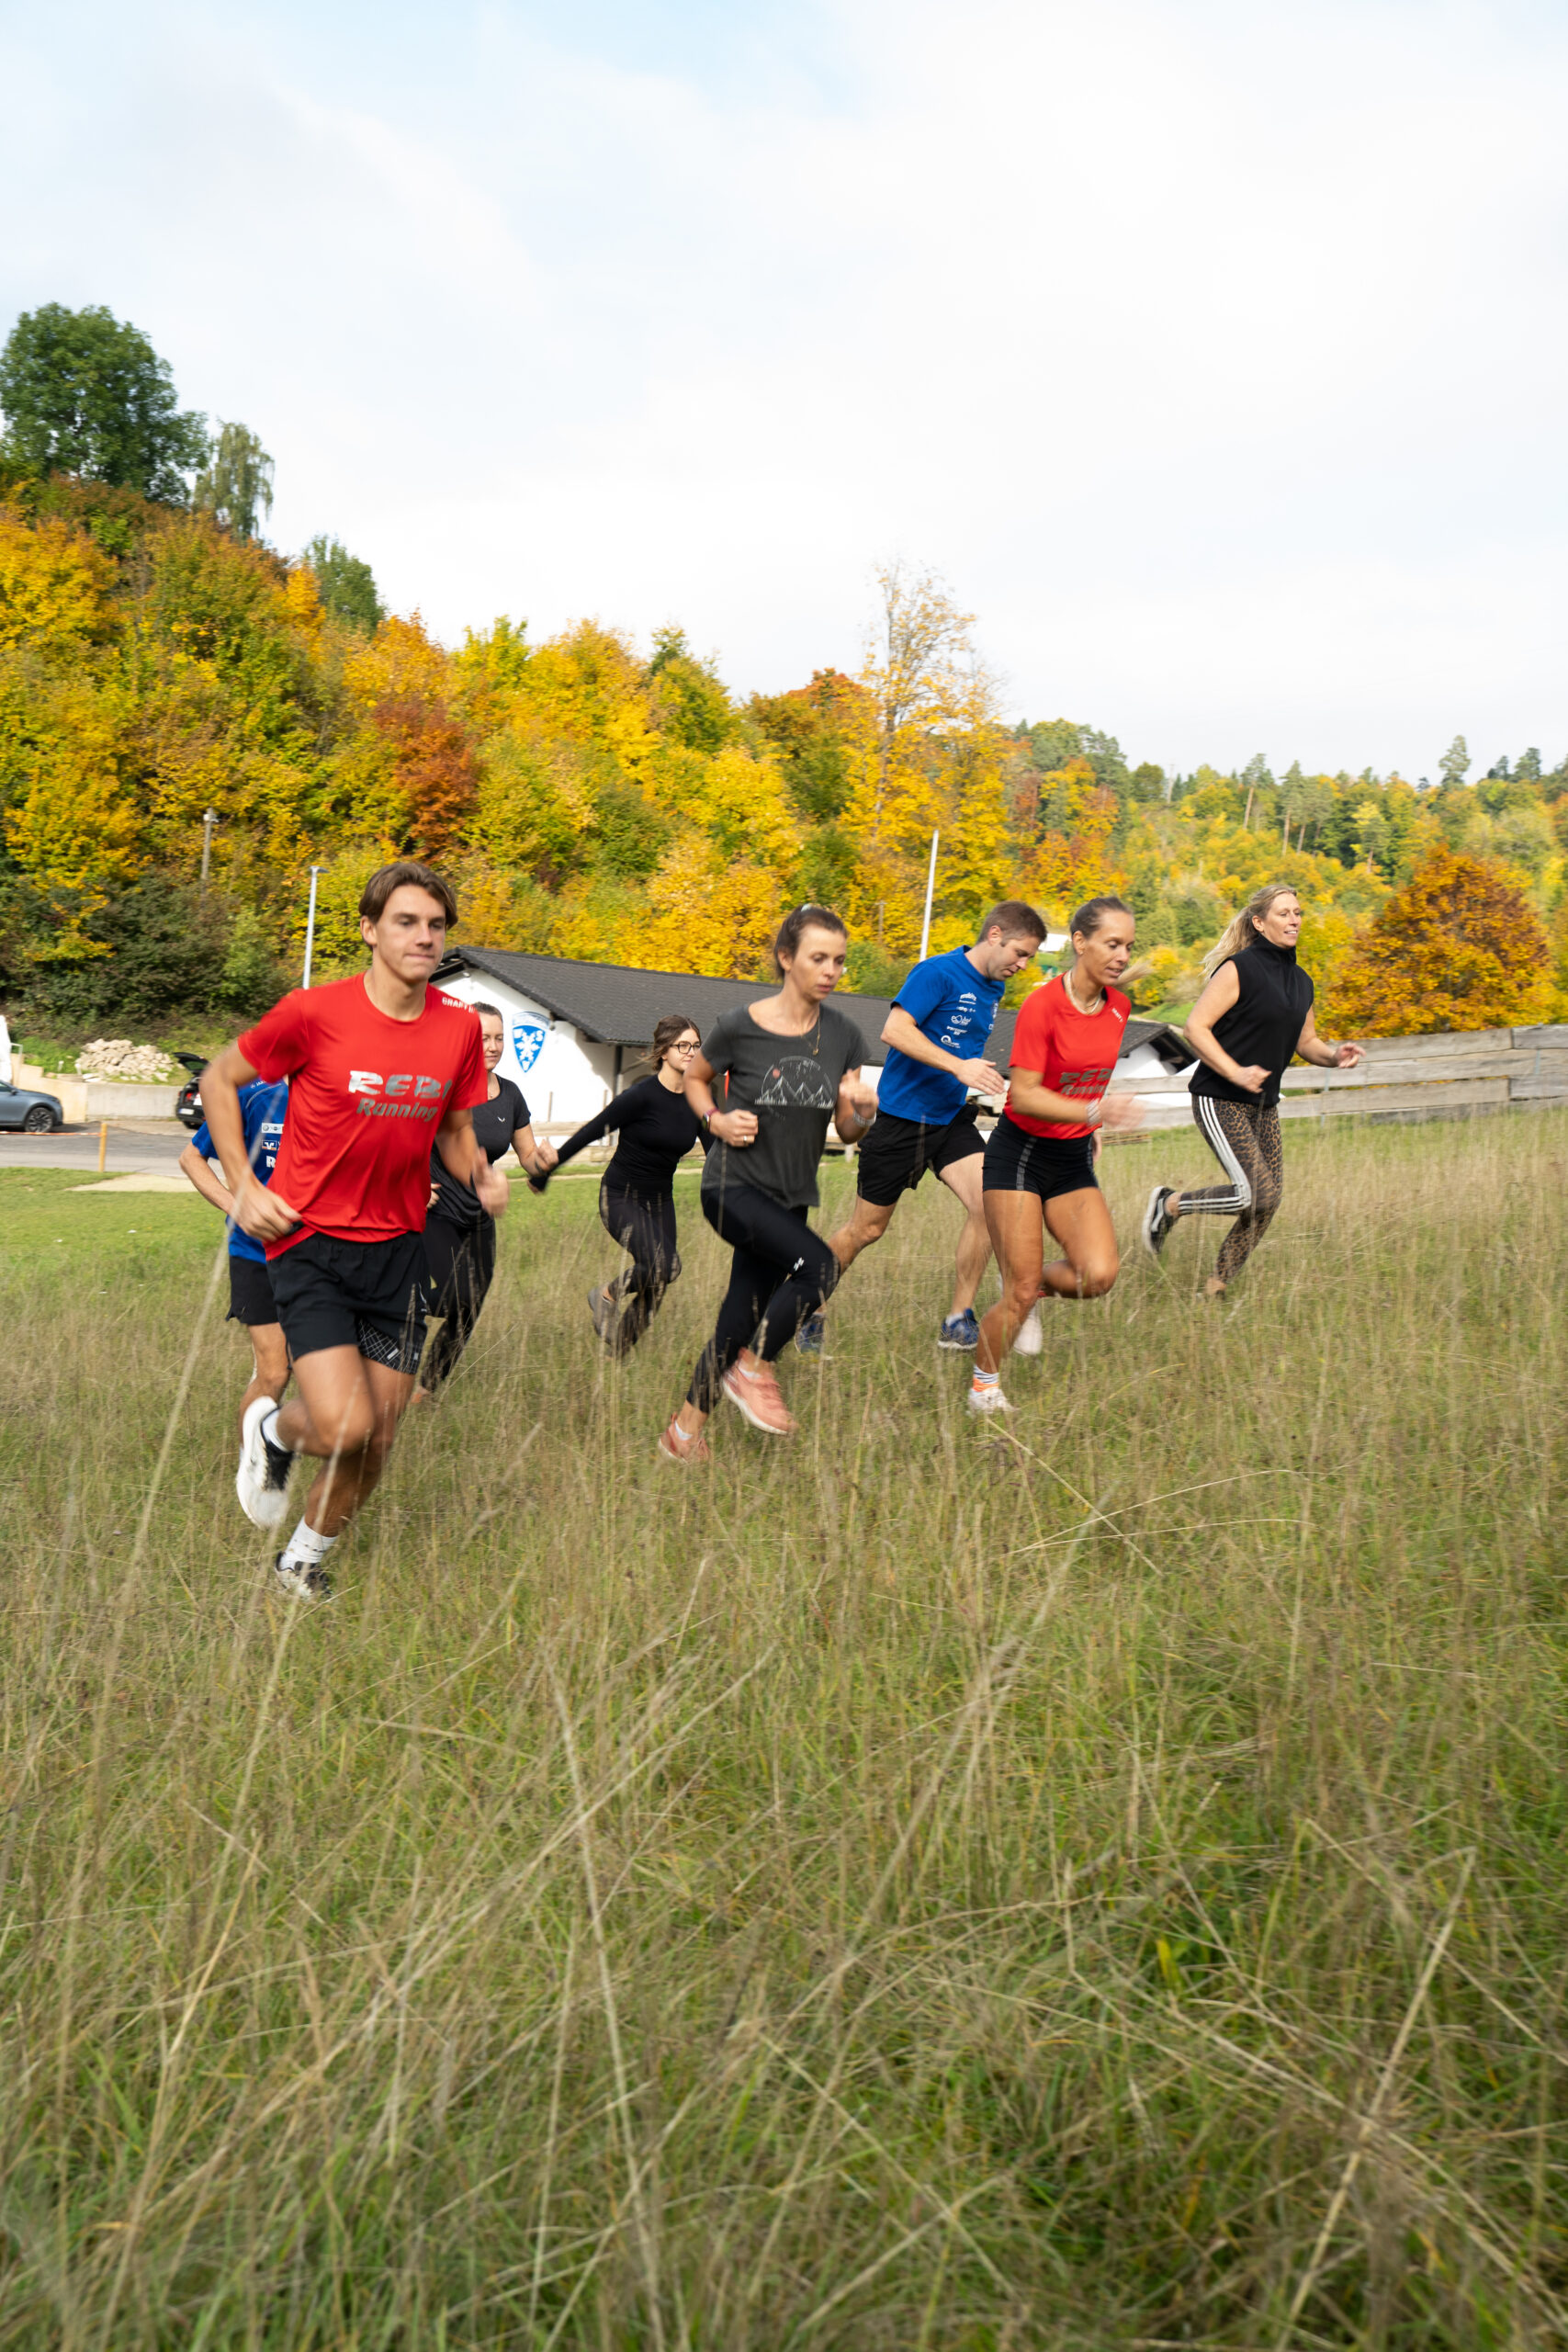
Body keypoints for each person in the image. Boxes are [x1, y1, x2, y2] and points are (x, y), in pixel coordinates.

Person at [199, 860, 499, 1600]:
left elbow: (454, 1129)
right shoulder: (313, 1013)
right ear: (369, 929)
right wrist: (243, 1187)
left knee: (379, 1436)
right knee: (342, 1425)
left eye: (436, 925)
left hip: (398, 1252)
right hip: (311, 1246)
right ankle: (272, 1433)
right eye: (406, 922)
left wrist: (480, 1173)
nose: (424, 937)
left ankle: (300, 1563)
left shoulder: (459, 1029)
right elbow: (217, 1080)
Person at [660, 906, 875, 1464]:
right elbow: (696, 1078)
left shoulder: (844, 1036)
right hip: (732, 1188)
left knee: (739, 1315)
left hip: (789, 1198)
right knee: (821, 1268)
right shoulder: (740, 1025)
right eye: (818, 958)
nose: (831, 971)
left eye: (839, 961)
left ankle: (683, 1435)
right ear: (786, 958)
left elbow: (846, 1128)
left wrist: (863, 1112)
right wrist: (715, 1121)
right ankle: (753, 1368)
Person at [802, 901, 1047, 1353]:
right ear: (995, 935)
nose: (1023, 965)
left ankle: (957, 1319)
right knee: (866, 1230)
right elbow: (895, 1031)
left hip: (949, 1118)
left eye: (1030, 957)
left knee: (988, 1204)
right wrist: (960, 1067)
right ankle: (806, 1306)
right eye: (1021, 953)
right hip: (902, 1119)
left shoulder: (994, 987)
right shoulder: (937, 972)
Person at [1141, 883, 1364, 1296]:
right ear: (1259, 923)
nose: (1294, 920)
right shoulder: (1238, 969)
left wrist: (1335, 1057)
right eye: (1284, 913)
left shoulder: (1301, 981)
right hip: (1219, 1097)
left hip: (1263, 1104)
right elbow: (1195, 1027)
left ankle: (1214, 1289)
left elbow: (1306, 1042)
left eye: (1297, 912)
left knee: (1268, 1201)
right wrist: (1235, 1072)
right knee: (1256, 1193)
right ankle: (1169, 1205)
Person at [971, 896, 1143, 1416]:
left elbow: (1088, 1075)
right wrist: (1094, 1111)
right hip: (1020, 1154)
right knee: (1019, 1292)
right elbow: (1022, 1096)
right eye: (1112, 943)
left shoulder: (1119, 1007)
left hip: (1071, 1157)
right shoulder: (1042, 1006)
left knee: (1099, 1275)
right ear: (1080, 942)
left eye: (1128, 946)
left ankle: (1029, 1283)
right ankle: (984, 1390)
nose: (1122, 955)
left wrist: (1090, 1123)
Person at [531, 1013, 707, 1357]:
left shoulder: (697, 1099)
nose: (691, 1052)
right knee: (665, 1265)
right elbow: (592, 1131)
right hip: (620, 1197)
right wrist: (545, 1172)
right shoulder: (641, 1096)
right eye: (683, 1045)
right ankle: (607, 1295)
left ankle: (619, 1351)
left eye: (696, 1046)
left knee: (661, 1278)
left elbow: (716, 1151)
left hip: (661, 1200)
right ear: (664, 1051)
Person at [414, 1001, 557, 1400]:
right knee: (459, 1296)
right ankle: (396, 1303)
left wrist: (543, 1162)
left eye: (499, 1038)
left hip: (479, 1216)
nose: (492, 1046)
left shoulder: (510, 1095)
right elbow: (404, 1138)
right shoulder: (440, 1087)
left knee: (471, 1307)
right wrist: (414, 1183)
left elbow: (527, 1155)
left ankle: (424, 1392)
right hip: (437, 1211)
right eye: (483, 1038)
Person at [178, 1076, 291, 1447]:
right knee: (275, 1373)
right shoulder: (252, 1095)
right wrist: (238, 1208)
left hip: (318, 1255)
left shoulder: (339, 1094)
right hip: (256, 1253)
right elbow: (192, 1158)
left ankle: (271, 1443)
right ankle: (250, 1463)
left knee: (316, 1373)